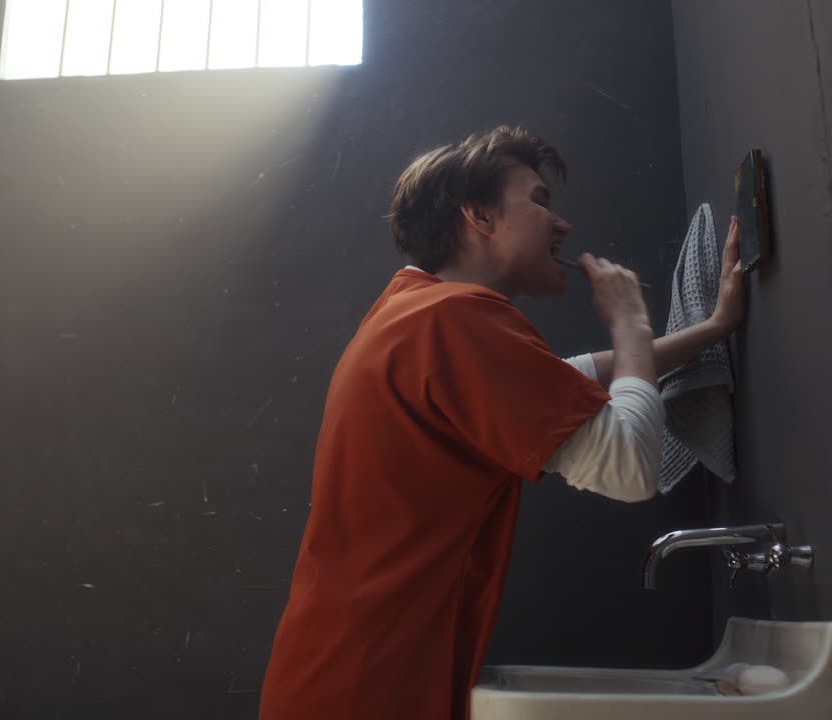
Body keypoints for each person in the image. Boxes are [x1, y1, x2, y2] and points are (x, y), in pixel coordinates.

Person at [258, 126, 744, 720]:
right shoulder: (457, 319)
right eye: (538, 201)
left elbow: (563, 381)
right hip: (372, 687)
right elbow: (629, 470)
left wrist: (712, 329)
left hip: (337, 673)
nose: (561, 224)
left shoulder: (413, 310)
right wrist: (631, 326)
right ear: (479, 216)